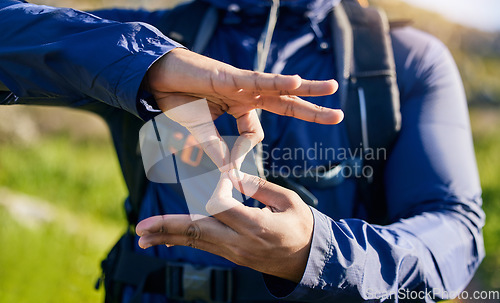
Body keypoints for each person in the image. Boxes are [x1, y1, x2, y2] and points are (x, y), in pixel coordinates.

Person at [0, 0, 484, 302]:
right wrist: (143, 63)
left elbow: (455, 229)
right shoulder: (141, 36)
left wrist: (322, 255)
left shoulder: (404, 61)